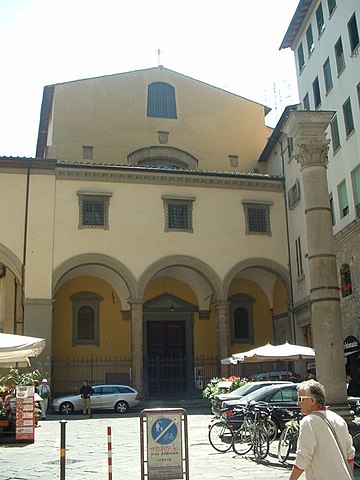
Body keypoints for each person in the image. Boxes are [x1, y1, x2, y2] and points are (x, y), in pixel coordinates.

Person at [289, 379, 354, 480]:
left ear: (312, 401)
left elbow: (303, 457)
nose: (298, 403)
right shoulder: (338, 419)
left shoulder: (309, 421)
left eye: (300, 399)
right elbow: (350, 454)